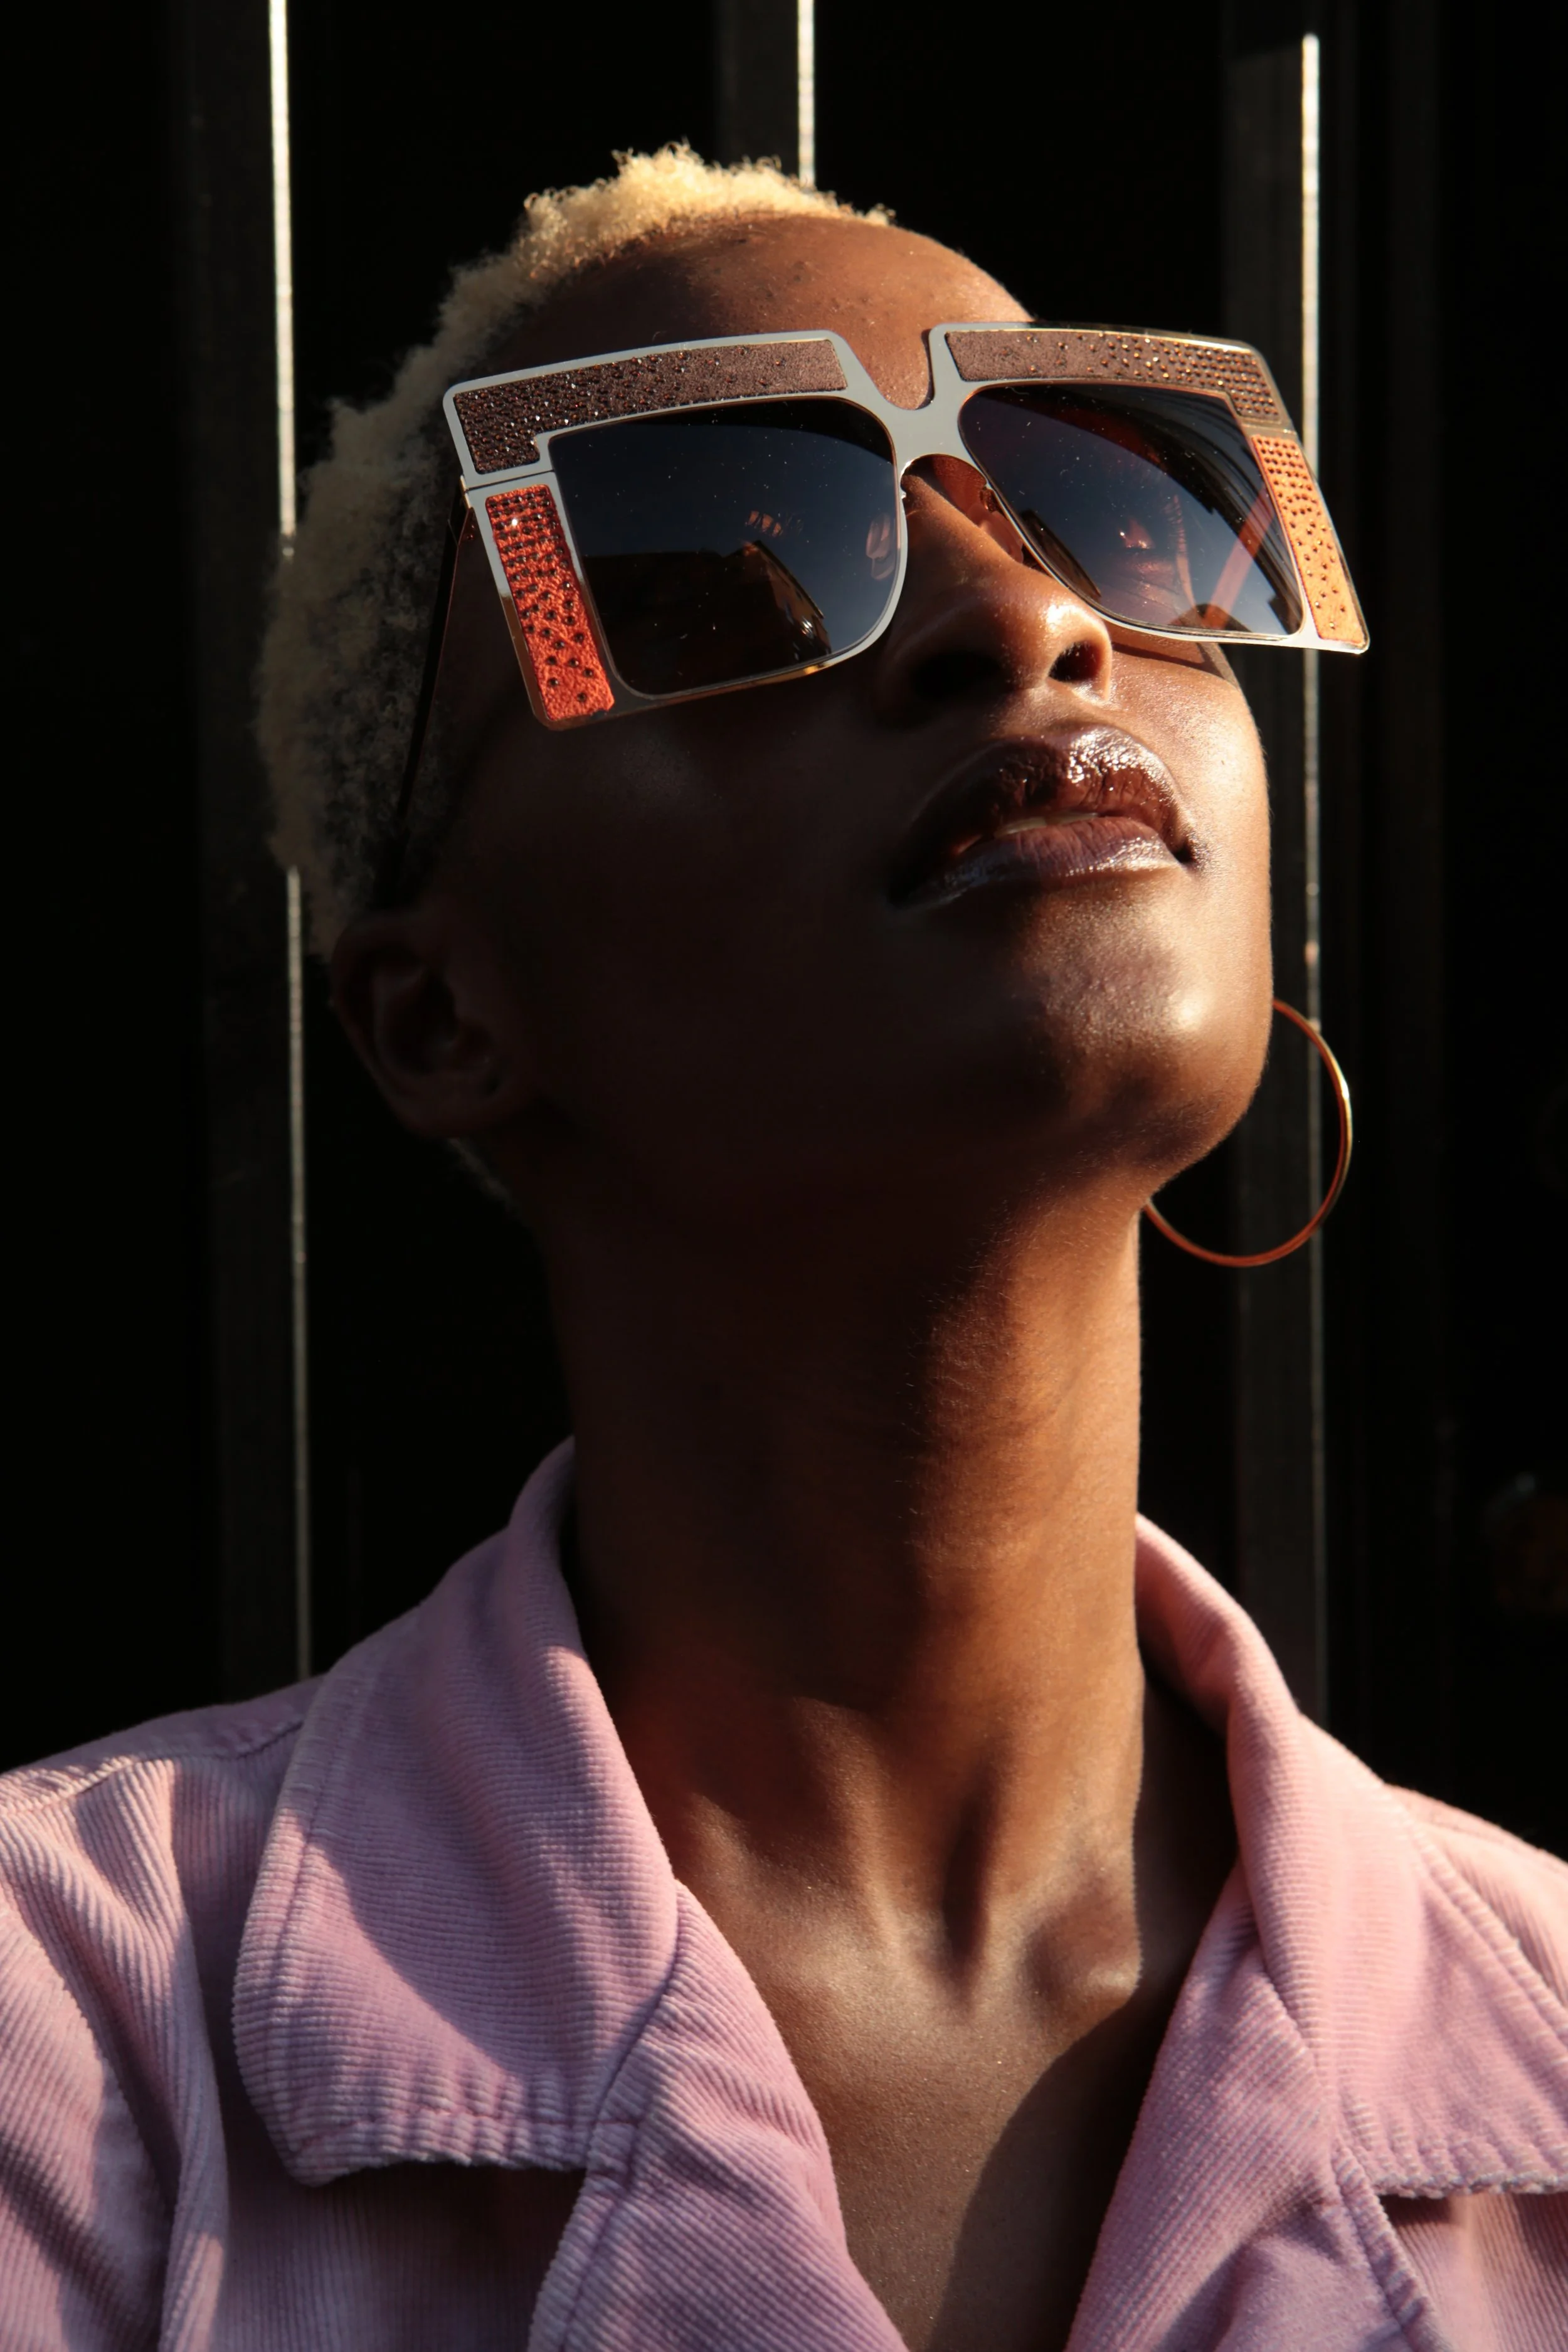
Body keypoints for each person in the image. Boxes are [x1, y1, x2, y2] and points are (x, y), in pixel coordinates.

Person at [3, 147, 1564, 2352]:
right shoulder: (72, 2032)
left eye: (1096, 503)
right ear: (440, 1015)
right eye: (720, 575)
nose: (1026, 621)